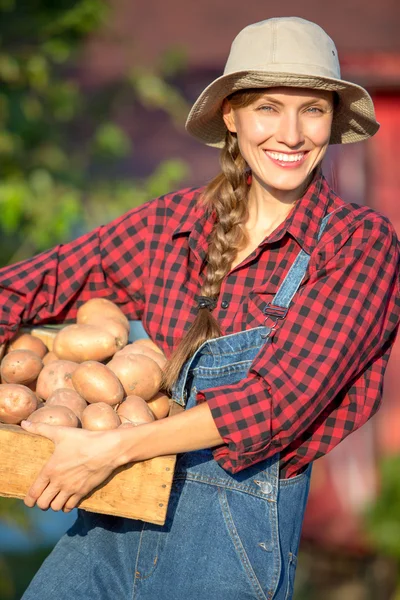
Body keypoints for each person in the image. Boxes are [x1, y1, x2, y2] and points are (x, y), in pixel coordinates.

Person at [0, 16, 398, 600]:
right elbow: (33, 284)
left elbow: (277, 402)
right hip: (109, 531)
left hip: (225, 555)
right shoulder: (174, 225)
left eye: (312, 109)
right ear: (232, 118)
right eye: (268, 107)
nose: (291, 133)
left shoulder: (357, 245)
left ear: (334, 122)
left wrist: (111, 447)